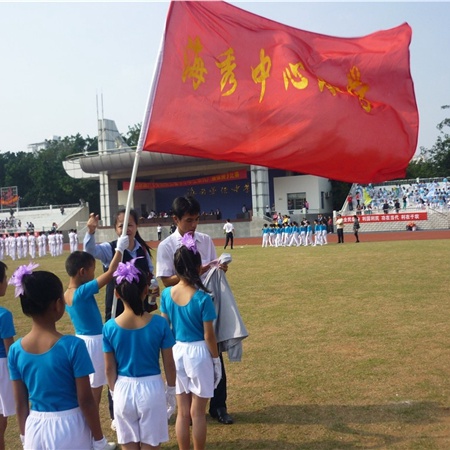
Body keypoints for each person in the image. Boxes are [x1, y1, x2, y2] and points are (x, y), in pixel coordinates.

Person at [7, 263, 114, 450]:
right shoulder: (73, 346)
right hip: (70, 427)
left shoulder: (16, 350)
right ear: (58, 305)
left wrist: (25, 435)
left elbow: (20, 403)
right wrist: (99, 440)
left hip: (35, 427)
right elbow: (86, 400)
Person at [156, 196, 234, 425]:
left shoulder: (205, 240)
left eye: (197, 219)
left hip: (206, 302)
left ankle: (218, 406)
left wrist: (218, 269)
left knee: (214, 350)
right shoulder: (167, 245)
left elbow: (211, 270)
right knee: (189, 359)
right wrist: (191, 273)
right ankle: (189, 410)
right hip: (183, 305)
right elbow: (165, 280)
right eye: (189, 220)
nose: (193, 225)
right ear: (175, 219)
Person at [84, 208, 156, 429]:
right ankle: (116, 412)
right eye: (121, 225)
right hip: (117, 312)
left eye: (130, 224)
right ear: (116, 229)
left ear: (136, 227)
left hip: (140, 312)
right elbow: (90, 250)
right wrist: (91, 231)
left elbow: (151, 274)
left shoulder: (143, 249)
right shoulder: (111, 249)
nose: (126, 228)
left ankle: (143, 406)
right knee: (114, 361)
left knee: (139, 356)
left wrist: (152, 288)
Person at [103, 259, 176, 450]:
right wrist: (171, 391)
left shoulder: (109, 327)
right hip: (151, 388)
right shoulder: (159, 324)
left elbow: (109, 367)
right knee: (151, 445)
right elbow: (169, 363)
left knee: (128, 444)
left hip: (123, 389)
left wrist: (113, 391)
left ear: (117, 294)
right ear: (146, 291)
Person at [160, 233, 221, 450]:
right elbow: (209, 335)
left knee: (183, 411)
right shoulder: (203, 298)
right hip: (199, 353)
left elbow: (164, 329)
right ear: (198, 268)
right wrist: (216, 361)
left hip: (177, 351)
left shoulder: (166, 295)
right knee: (198, 413)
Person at [64, 236, 128, 407]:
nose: (94, 274)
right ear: (82, 272)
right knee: (96, 387)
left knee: (90, 384)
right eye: (92, 270)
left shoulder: (66, 294)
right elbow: (111, 272)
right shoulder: (82, 291)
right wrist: (119, 249)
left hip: (81, 340)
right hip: (94, 342)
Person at [0, 262, 15, 450]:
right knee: (2, 420)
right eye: (4, 279)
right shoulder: (3, 315)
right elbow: (9, 348)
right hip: (2, 367)